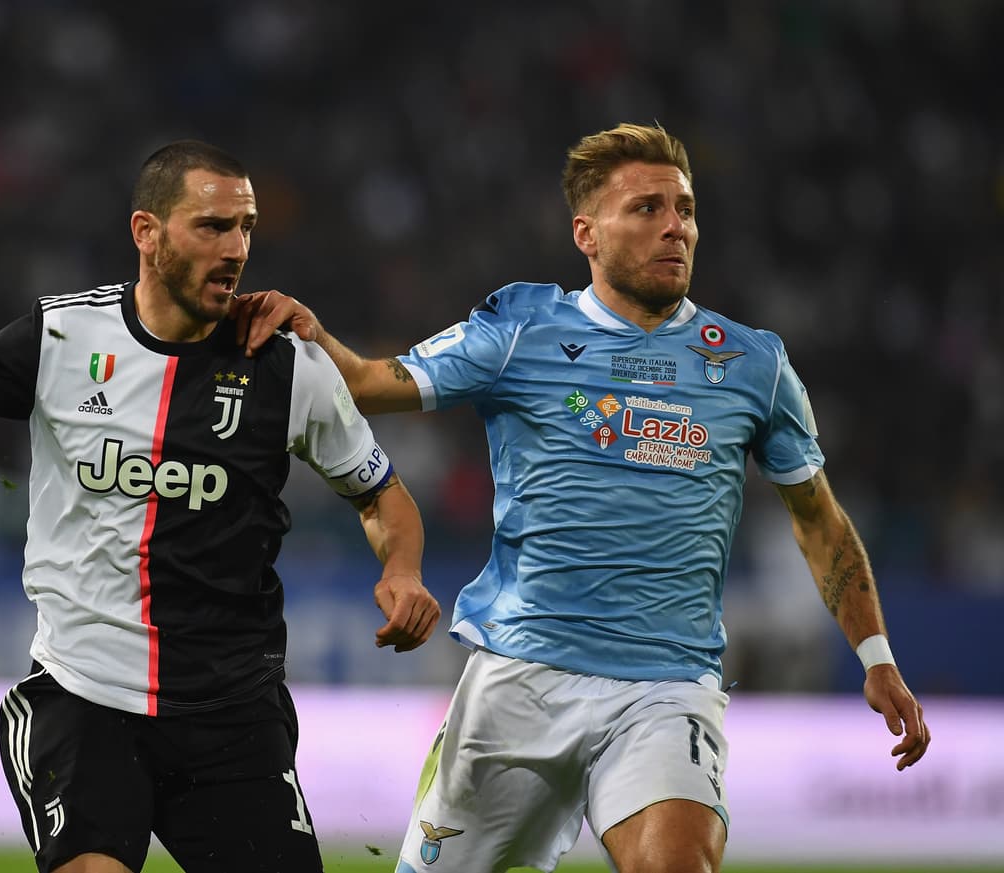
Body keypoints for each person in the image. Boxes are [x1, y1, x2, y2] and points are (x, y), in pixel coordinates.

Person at [232, 122, 930, 873]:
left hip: (666, 688)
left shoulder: (753, 363)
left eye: (685, 208)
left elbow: (818, 519)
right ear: (587, 234)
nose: (676, 227)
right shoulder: (521, 328)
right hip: (519, 680)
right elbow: (372, 383)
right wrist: (312, 331)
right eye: (647, 208)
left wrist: (877, 654)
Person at [0, 140, 441, 873]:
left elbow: (381, 492)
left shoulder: (289, 365)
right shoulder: (61, 336)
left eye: (246, 227)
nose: (236, 249)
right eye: (212, 226)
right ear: (147, 233)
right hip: (85, 701)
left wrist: (405, 568)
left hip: (231, 714)